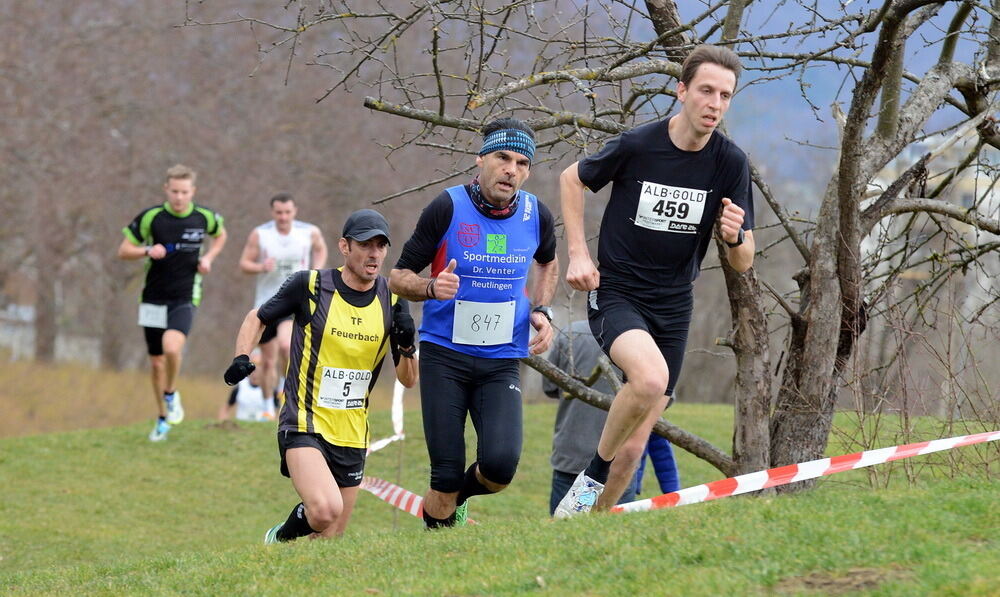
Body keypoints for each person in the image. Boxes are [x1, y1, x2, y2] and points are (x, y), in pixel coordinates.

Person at [555, 44, 755, 517]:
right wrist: (580, 254)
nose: (715, 103)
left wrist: (732, 238)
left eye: (725, 95)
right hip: (619, 292)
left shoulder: (730, 162)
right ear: (682, 91)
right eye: (706, 91)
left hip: (673, 306)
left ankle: (587, 529)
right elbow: (570, 178)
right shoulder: (639, 145)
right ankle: (593, 474)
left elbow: (745, 261)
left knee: (633, 447)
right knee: (649, 379)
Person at [389, 117, 559, 528]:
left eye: (521, 163)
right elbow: (397, 277)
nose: (511, 169)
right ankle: (441, 545)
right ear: (480, 159)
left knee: (500, 469)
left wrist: (541, 309)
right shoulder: (447, 207)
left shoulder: (537, 214)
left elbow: (548, 262)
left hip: (502, 358)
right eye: (502, 158)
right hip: (445, 354)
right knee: (444, 473)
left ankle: (449, 502)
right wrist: (430, 288)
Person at [224, 208, 418, 543]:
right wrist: (242, 355)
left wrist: (405, 345)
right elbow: (259, 316)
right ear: (345, 247)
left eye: (381, 246)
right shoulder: (310, 285)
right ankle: (280, 537)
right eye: (365, 245)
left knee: (329, 538)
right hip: (305, 421)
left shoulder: (393, 297)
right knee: (325, 510)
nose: (374, 254)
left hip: (354, 431)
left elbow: (408, 379)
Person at [118, 164, 227, 442]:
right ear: (166, 189)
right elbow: (123, 250)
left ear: (193, 191)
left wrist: (208, 259)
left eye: (185, 192)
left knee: (171, 347)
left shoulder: (204, 217)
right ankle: (163, 417)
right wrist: (145, 250)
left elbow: (221, 234)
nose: (179, 197)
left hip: (185, 296)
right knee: (155, 364)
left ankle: (171, 392)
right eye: (175, 191)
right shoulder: (151, 218)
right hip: (153, 298)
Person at [238, 193, 328, 417]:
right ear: (272, 212)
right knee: (267, 362)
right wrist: (260, 267)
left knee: (287, 347)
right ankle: (268, 408)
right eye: (279, 212)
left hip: (295, 302)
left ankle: (288, 395)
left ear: (294, 211)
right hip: (267, 303)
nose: (283, 217)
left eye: (287, 212)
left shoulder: (308, 232)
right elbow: (244, 264)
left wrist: (316, 271)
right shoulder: (261, 234)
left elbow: (321, 248)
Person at [544, 320, 637, 515]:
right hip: (617, 462)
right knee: (613, 538)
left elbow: (550, 387)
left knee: (562, 535)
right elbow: (663, 398)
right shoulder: (639, 339)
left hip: (570, 456)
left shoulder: (569, 334)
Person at [217, 350, 277, 422]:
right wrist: (223, 423)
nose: (256, 368)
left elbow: (277, 412)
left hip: (262, 429)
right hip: (241, 429)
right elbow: (226, 408)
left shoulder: (271, 390)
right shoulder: (240, 387)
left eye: (259, 364)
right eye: (253, 364)